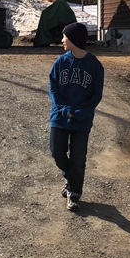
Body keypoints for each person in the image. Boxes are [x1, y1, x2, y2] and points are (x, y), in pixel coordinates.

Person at [48, 22, 104, 211]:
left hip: (82, 120)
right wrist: (63, 109)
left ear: (74, 39)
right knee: (57, 152)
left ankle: (74, 194)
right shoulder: (61, 62)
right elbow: (53, 88)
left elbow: (96, 95)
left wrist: (82, 111)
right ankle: (70, 178)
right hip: (60, 117)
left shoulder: (95, 66)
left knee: (79, 158)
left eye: (65, 37)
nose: (62, 40)